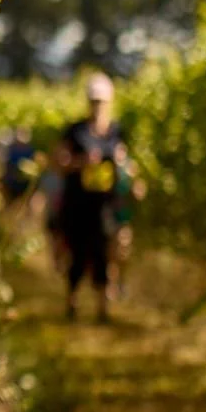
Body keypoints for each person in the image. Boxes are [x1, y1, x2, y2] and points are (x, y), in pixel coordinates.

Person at [54, 73, 132, 321]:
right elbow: (59, 162)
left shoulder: (116, 132)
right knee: (77, 255)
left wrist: (122, 164)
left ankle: (103, 308)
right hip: (78, 205)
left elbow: (127, 163)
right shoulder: (75, 131)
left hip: (105, 205)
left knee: (103, 255)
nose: (98, 106)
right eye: (94, 101)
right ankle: (72, 304)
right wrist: (80, 162)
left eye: (102, 101)